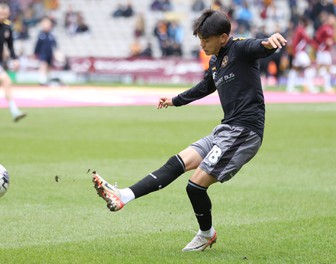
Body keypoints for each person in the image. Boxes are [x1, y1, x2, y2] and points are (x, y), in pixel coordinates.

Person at [92, 9, 287, 252]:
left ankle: (207, 234)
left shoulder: (239, 48)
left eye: (206, 39)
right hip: (225, 129)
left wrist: (271, 42)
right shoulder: (215, 61)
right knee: (176, 163)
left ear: (223, 37)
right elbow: (205, 87)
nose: (202, 44)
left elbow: (260, 47)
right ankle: (124, 195)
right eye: (200, 39)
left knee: (194, 186)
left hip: (244, 132)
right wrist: (175, 100)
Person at [286, 17, 317, 93]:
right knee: (309, 67)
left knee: (295, 70)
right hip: (300, 53)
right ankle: (310, 87)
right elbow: (308, 40)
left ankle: (290, 88)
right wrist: (316, 45)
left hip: (297, 53)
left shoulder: (298, 30)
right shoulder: (301, 30)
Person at [313, 12, 335, 93]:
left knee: (325, 69)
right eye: (333, 19)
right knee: (321, 68)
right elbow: (317, 37)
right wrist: (325, 42)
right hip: (323, 51)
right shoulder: (324, 28)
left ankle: (326, 86)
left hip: (326, 51)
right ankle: (313, 84)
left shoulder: (331, 28)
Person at [34, 17, 57, 86]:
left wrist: (56, 52)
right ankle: (42, 80)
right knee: (43, 65)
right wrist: (35, 53)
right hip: (43, 53)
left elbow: (55, 44)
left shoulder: (51, 35)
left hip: (49, 53)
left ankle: (47, 79)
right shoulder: (41, 35)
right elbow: (37, 45)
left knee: (48, 67)